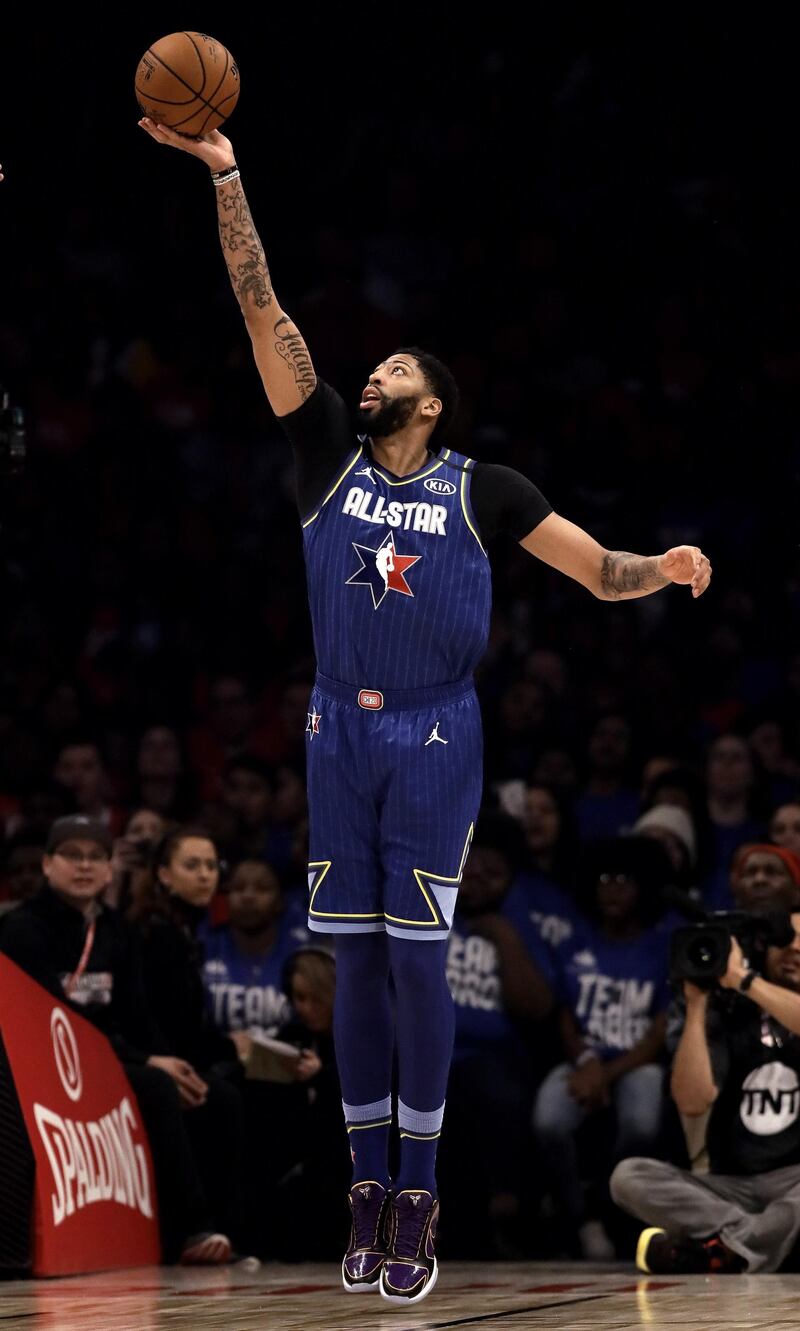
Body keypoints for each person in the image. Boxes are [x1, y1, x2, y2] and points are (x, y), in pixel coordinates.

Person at [138, 113, 712, 1305]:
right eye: (376, 365)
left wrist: (654, 567)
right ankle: (363, 1181)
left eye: (396, 367)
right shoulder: (320, 461)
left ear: (433, 404)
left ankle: (418, 1183)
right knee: (348, 963)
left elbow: (594, 564)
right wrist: (227, 174)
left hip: (435, 728)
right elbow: (261, 310)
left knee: (414, 961)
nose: (373, 372)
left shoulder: (484, 490)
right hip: (335, 727)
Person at [0, 815, 240, 1265]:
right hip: (52, 1063)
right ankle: (192, 1229)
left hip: (114, 1055)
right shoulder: (22, 929)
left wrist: (168, 1058)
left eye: (96, 857)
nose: (85, 867)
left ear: (111, 869)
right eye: (72, 856)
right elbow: (47, 1019)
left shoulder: (117, 931)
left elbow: (138, 1014)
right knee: (156, 1087)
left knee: (215, 1094)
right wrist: (149, 1063)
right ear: (48, 865)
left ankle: (230, 1231)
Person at [611, 913, 800, 1274]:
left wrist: (744, 980)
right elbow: (693, 1101)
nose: (794, 947)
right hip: (727, 1186)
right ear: (765, 948)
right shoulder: (729, 1008)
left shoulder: (745, 985)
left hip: (794, 1180)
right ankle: (756, 1242)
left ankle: (718, 1248)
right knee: (628, 1176)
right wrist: (697, 1005)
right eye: (785, 939)